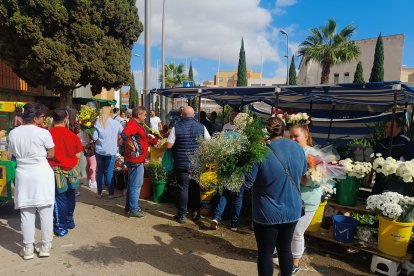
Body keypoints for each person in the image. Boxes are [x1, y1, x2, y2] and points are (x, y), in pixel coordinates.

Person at [244, 117, 307, 276]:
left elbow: (247, 183)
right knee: (285, 250)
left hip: (267, 212)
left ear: (265, 130)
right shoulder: (298, 148)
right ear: (284, 130)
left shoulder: (260, 152)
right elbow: (303, 172)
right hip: (292, 208)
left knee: (265, 253)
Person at [8, 103, 55, 260]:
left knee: (26, 212)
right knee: (46, 210)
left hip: (23, 172)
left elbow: (13, 153)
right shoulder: (43, 133)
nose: (44, 119)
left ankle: (28, 248)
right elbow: (52, 153)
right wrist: (39, 155)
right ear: (35, 117)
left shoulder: (13, 133)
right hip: (41, 171)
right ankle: (46, 246)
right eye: (42, 116)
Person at [166, 106, 211, 224]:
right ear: (194, 116)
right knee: (196, 188)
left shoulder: (177, 127)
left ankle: (181, 215)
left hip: (181, 163)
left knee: (183, 188)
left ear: (182, 115)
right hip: (197, 163)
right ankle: (196, 213)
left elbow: (169, 146)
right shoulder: (202, 127)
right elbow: (209, 144)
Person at [289, 124, 323, 274]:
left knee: (297, 231)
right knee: (287, 229)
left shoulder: (313, 154)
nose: (292, 139)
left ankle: (295, 263)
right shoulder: (290, 151)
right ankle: (284, 253)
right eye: (290, 136)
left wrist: (297, 178)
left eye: (296, 136)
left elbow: (317, 179)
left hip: (307, 200)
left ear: (305, 136)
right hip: (290, 197)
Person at [48, 108, 83, 237]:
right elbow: (78, 155)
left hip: (55, 170)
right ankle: (69, 221)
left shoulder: (48, 134)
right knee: (70, 196)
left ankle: (60, 226)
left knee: (59, 199)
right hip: (71, 169)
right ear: (66, 120)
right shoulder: (72, 136)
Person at [121, 106, 157, 217]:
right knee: (136, 185)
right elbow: (124, 135)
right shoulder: (132, 123)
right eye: (145, 115)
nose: (146, 117)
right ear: (139, 115)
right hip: (135, 158)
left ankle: (129, 207)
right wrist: (131, 145)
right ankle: (134, 209)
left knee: (133, 184)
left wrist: (149, 140)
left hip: (136, 158)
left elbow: (138, 137)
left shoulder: (136, 124)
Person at [371, 118, 414, 195]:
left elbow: (411, 162)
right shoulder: (382, 142)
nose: (388, 129)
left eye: (391, 127)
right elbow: (374, 160)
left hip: (397, 183)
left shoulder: (406, 142)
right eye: (387, 127)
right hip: (380, 181)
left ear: (399, 128)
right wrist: (369, 176)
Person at [93, 106, 124, 198]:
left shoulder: (98, 123)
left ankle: (99, 193)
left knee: (100, 172)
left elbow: (95, 137)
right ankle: (110, 193)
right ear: (110, 113)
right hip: (111, 150)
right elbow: (123, 133)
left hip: (99, 150)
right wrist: (119, 141)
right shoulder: (116, 123)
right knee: (109, 172)